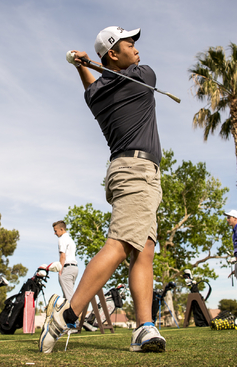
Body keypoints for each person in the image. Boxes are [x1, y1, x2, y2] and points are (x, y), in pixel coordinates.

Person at [39, 26, 165, 354]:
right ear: (112, 54)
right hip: (137, 172)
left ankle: (144, 328)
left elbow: (95, 85)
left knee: (144, 250)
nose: (136, 48)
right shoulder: (143, 76)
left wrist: (83, 65)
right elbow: (111, 76)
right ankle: (66, 315)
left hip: (132, 172)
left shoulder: (94, 95)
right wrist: (86, 65)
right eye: (129, 43)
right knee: (121, 244)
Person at [52, 220, 78, 301]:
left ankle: (75, 313)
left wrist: (60, 269)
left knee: (69, 298)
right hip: (74, 269)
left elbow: (63, 256)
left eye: (56, 231)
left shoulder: (62, 239)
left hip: (66, 269)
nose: (55, 233)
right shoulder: (71, 240)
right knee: (67, 294)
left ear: (62, 229)